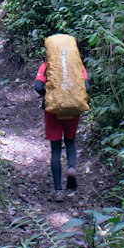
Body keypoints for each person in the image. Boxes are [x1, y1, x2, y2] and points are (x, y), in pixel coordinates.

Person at [34, 45, 88, 200]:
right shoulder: (78, 65)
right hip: (72, 110)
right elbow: (87, 87)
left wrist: (51, 95)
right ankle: (71, 167)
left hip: (53, 112)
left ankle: (58, 190)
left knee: (55, 150)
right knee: (70, 141)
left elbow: (38, 86)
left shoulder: (47, 65)